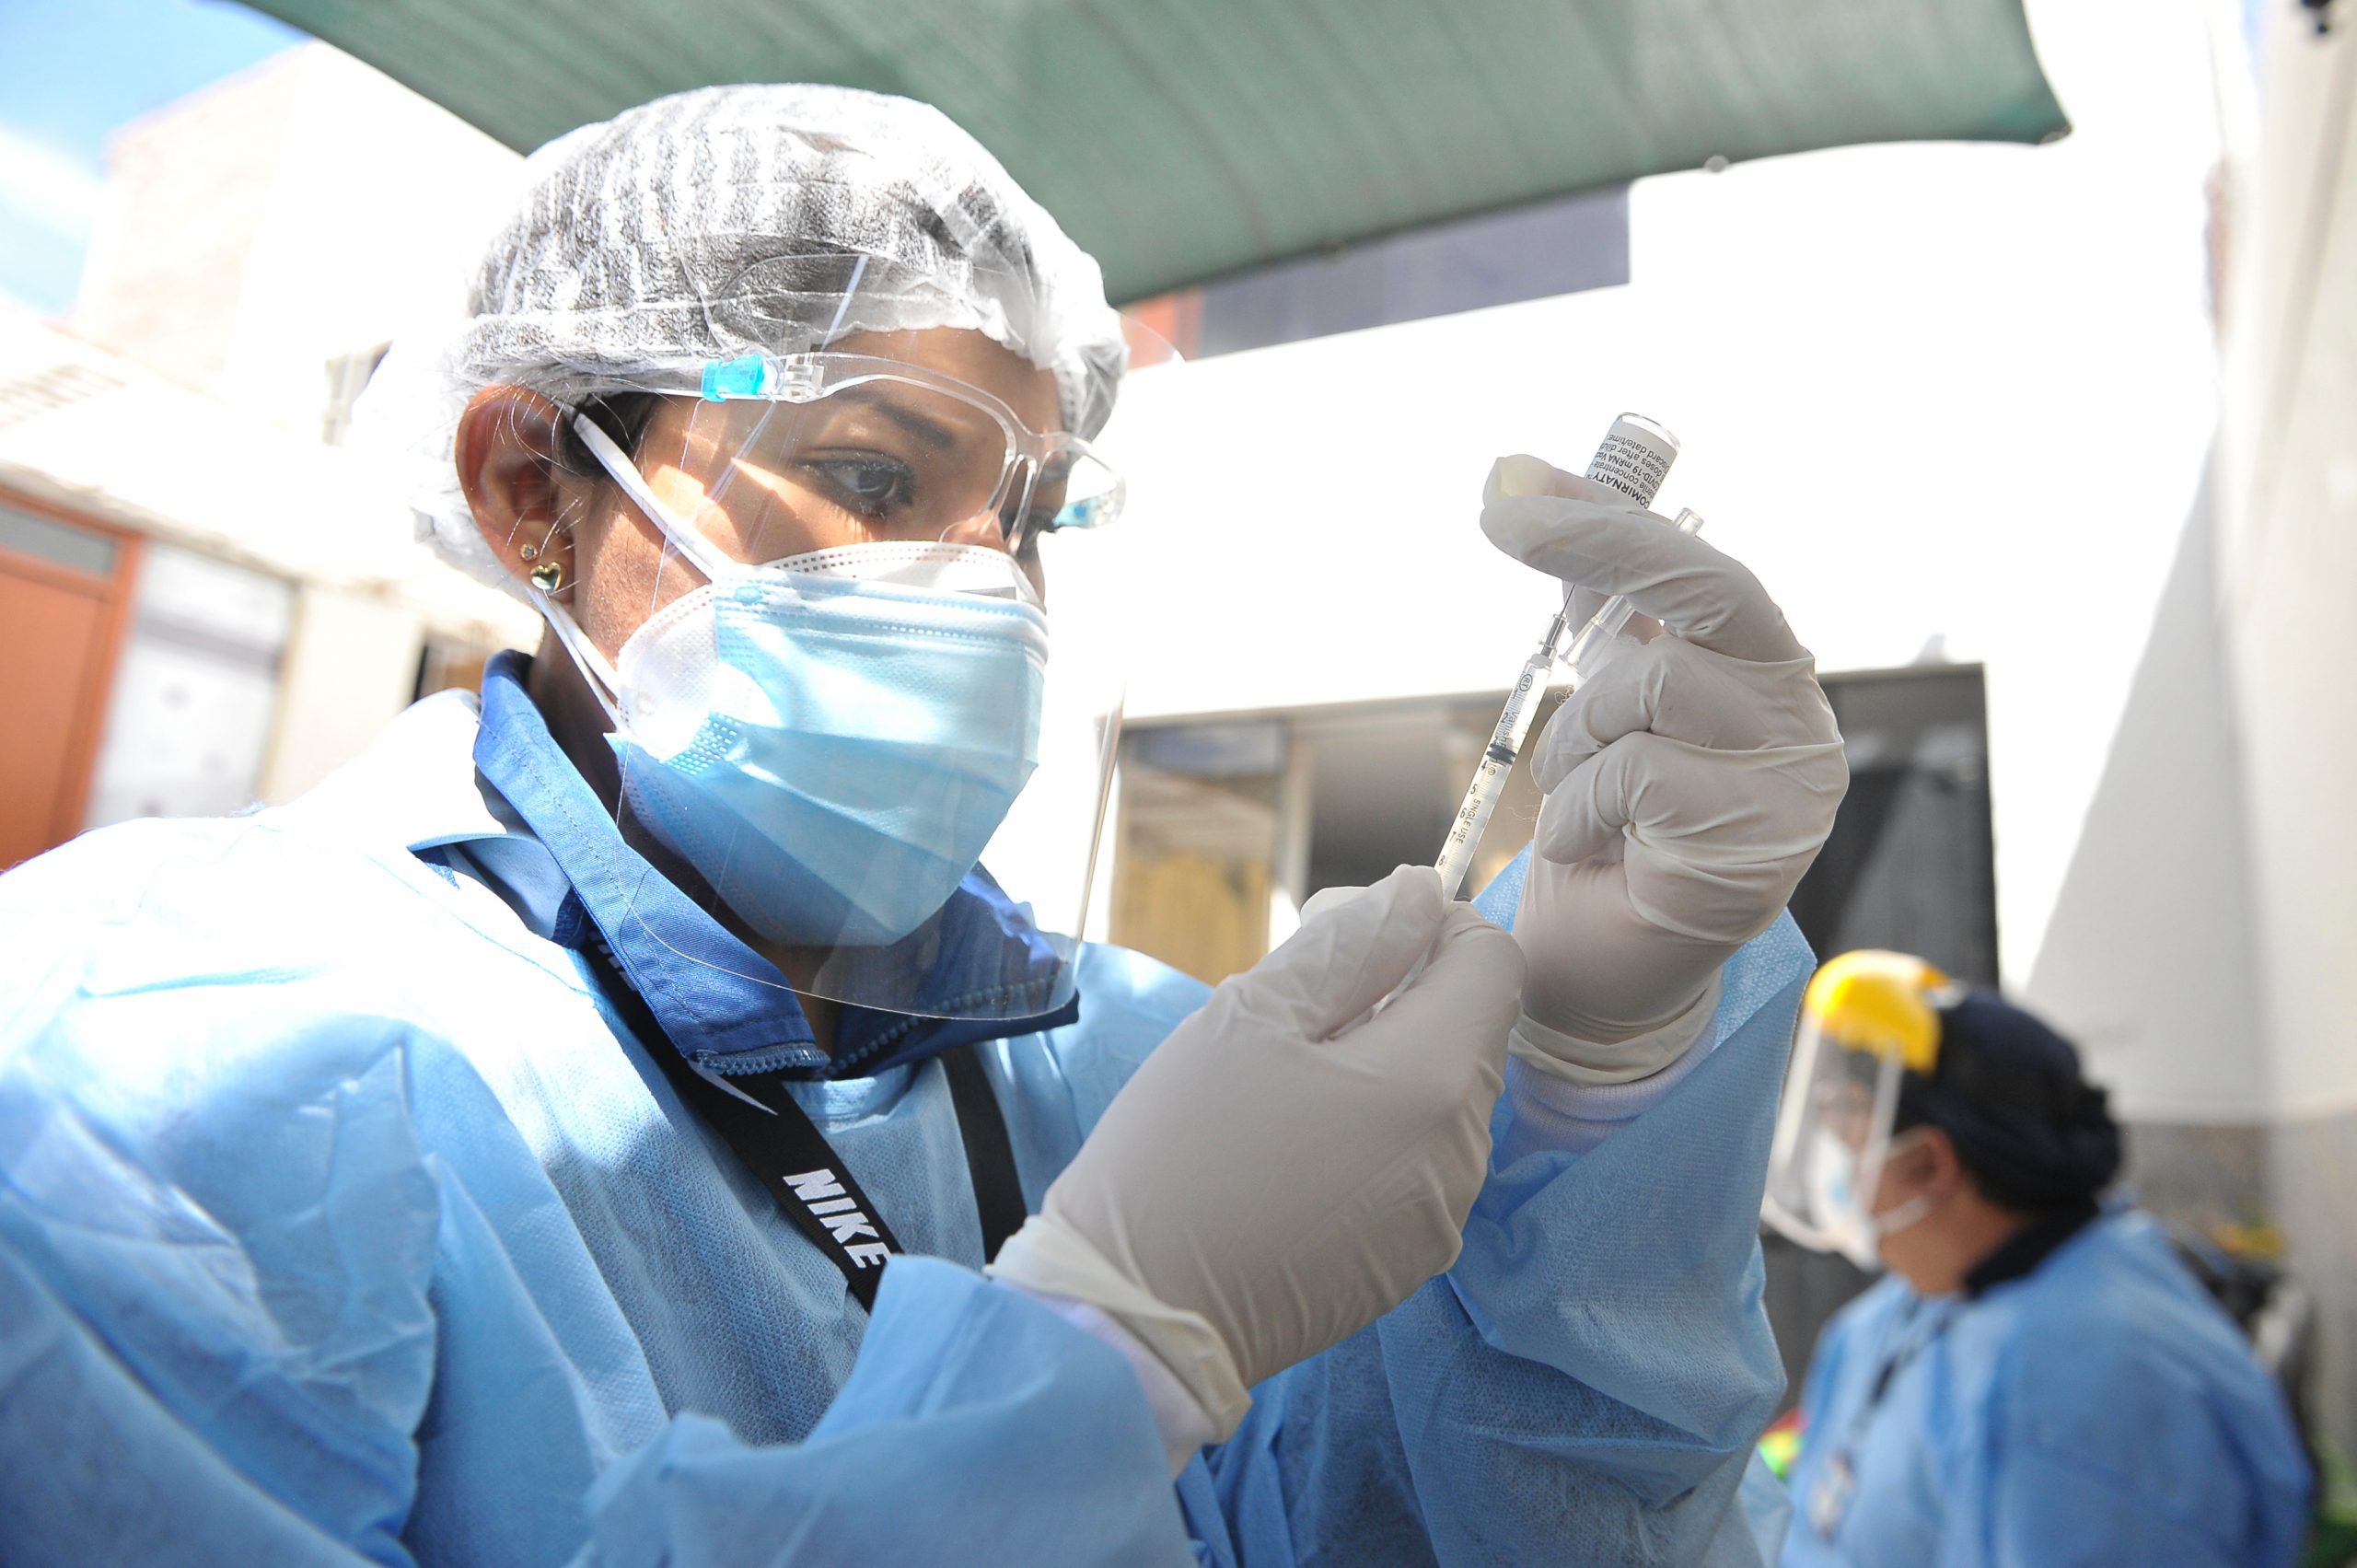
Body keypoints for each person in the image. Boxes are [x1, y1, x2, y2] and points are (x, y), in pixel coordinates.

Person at [0, 85, 1847, 1564]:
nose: (991, 588)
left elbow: (1473, 1523)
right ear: (526, 487)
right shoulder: (170, 1053)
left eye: (1028, 511)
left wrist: (1602, 1082)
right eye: (876, 471)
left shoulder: (1110, 1058)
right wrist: (1107, 1345)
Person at [1764, 951, 2311, 1567]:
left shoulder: (2093, 1391)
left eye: (1848, 1131)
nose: (1834, 1162)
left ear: (1927, 1165)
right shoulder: (1905, 1309)